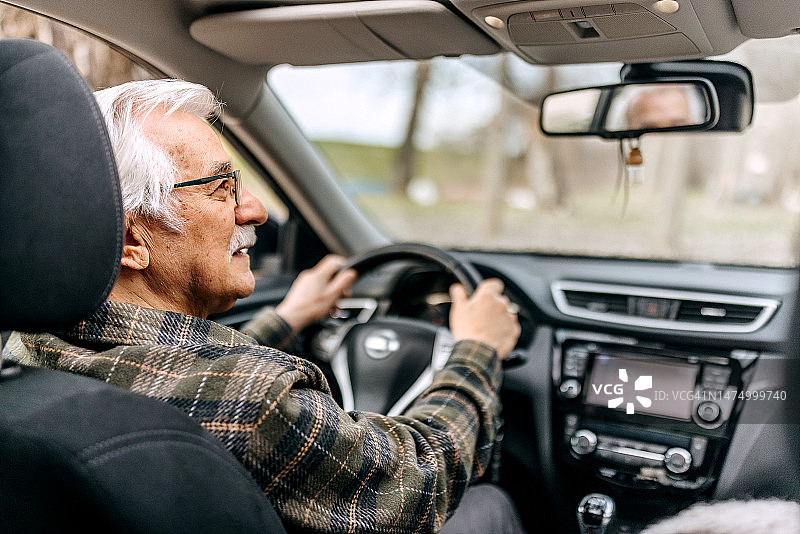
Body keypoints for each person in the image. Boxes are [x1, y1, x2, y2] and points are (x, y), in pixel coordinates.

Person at [4, 79, 524, 534]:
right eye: (221, 188)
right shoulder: (256, 403)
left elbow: (175, 370)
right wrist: (477, 349)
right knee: (490, 505)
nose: (253, 209)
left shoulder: (26, 351)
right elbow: (419, 479)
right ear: (131, 239)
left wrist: (288, 319)